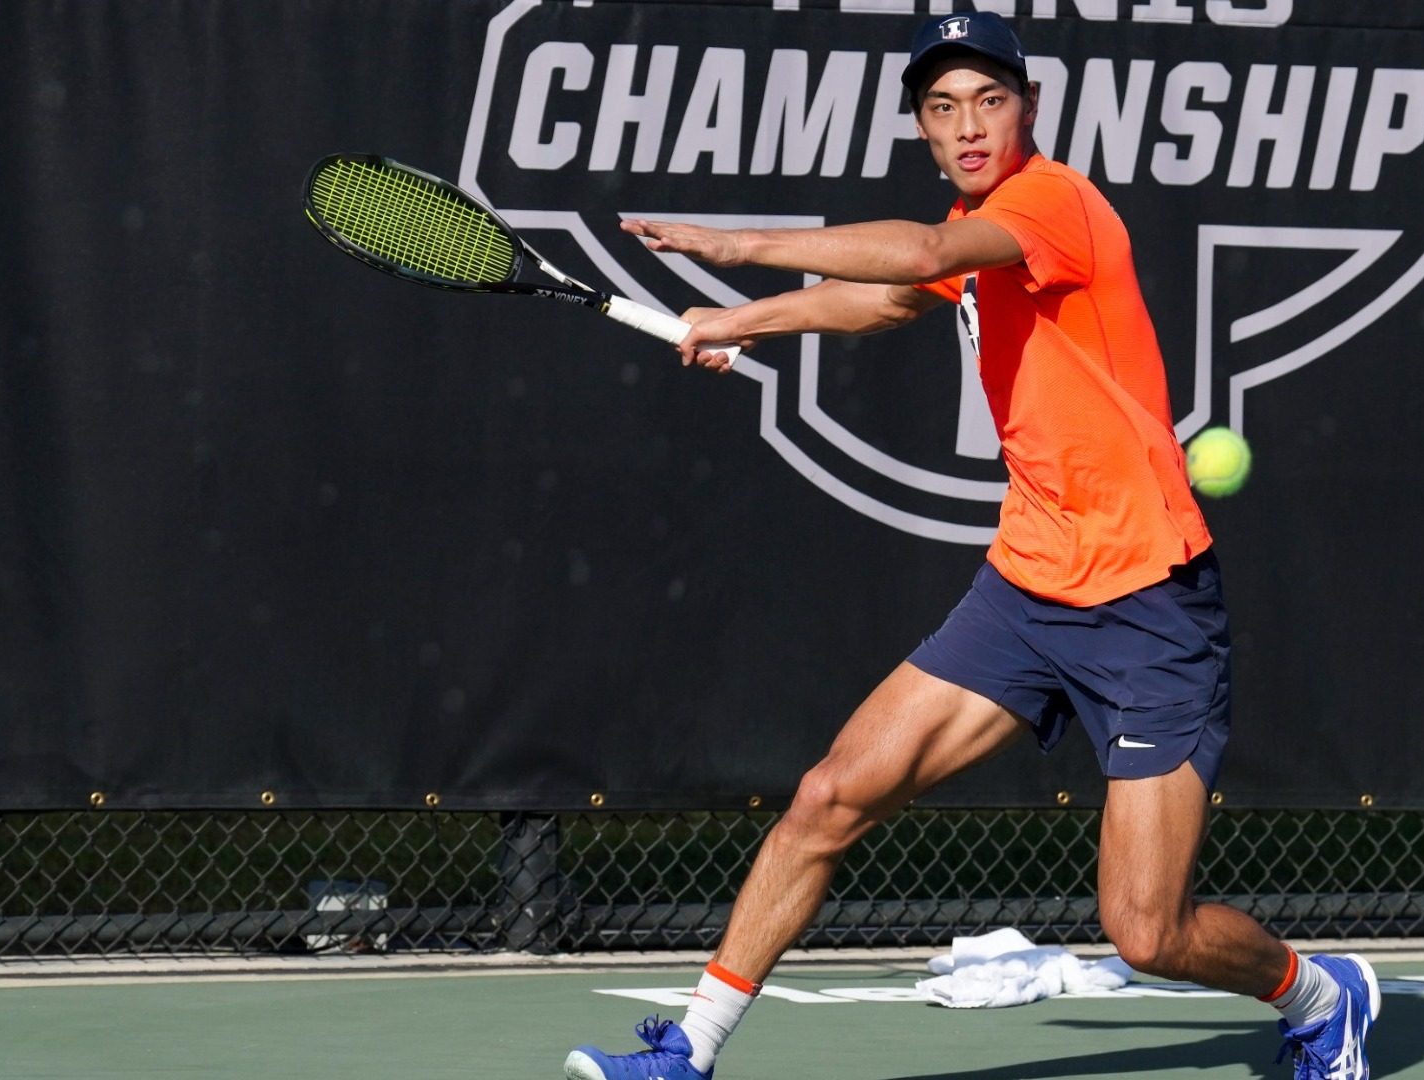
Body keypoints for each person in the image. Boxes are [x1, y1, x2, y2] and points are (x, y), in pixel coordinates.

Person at [564, 12, 1379, 1080]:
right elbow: (891, 297)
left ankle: (1324, 994)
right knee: (828, 798)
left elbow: (922, 252)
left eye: (990, 99)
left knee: (1148, 931)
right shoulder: (976, 218)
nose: (970, 125)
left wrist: (735, 243)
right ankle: (688, 1053)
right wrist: (737, 319)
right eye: (944, 108)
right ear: (924, 128)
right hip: (1027, 588)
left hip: (1147, 605)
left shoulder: (1050, 203)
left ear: (1027, 108)